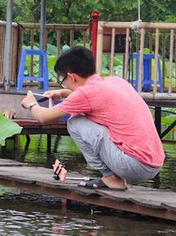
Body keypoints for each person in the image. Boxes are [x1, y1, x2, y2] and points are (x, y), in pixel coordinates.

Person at [20, 45, 164, 191]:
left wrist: (31, 103)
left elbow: (44, 117)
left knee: (74, 122)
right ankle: (114, 178)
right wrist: (63, 93)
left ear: (71, 77)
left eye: (64, 81)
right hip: (155, 163)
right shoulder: (115, 81)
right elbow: (92, 99)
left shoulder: (85, 94)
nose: (65, 85)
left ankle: (111, 178)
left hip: (134, 166)